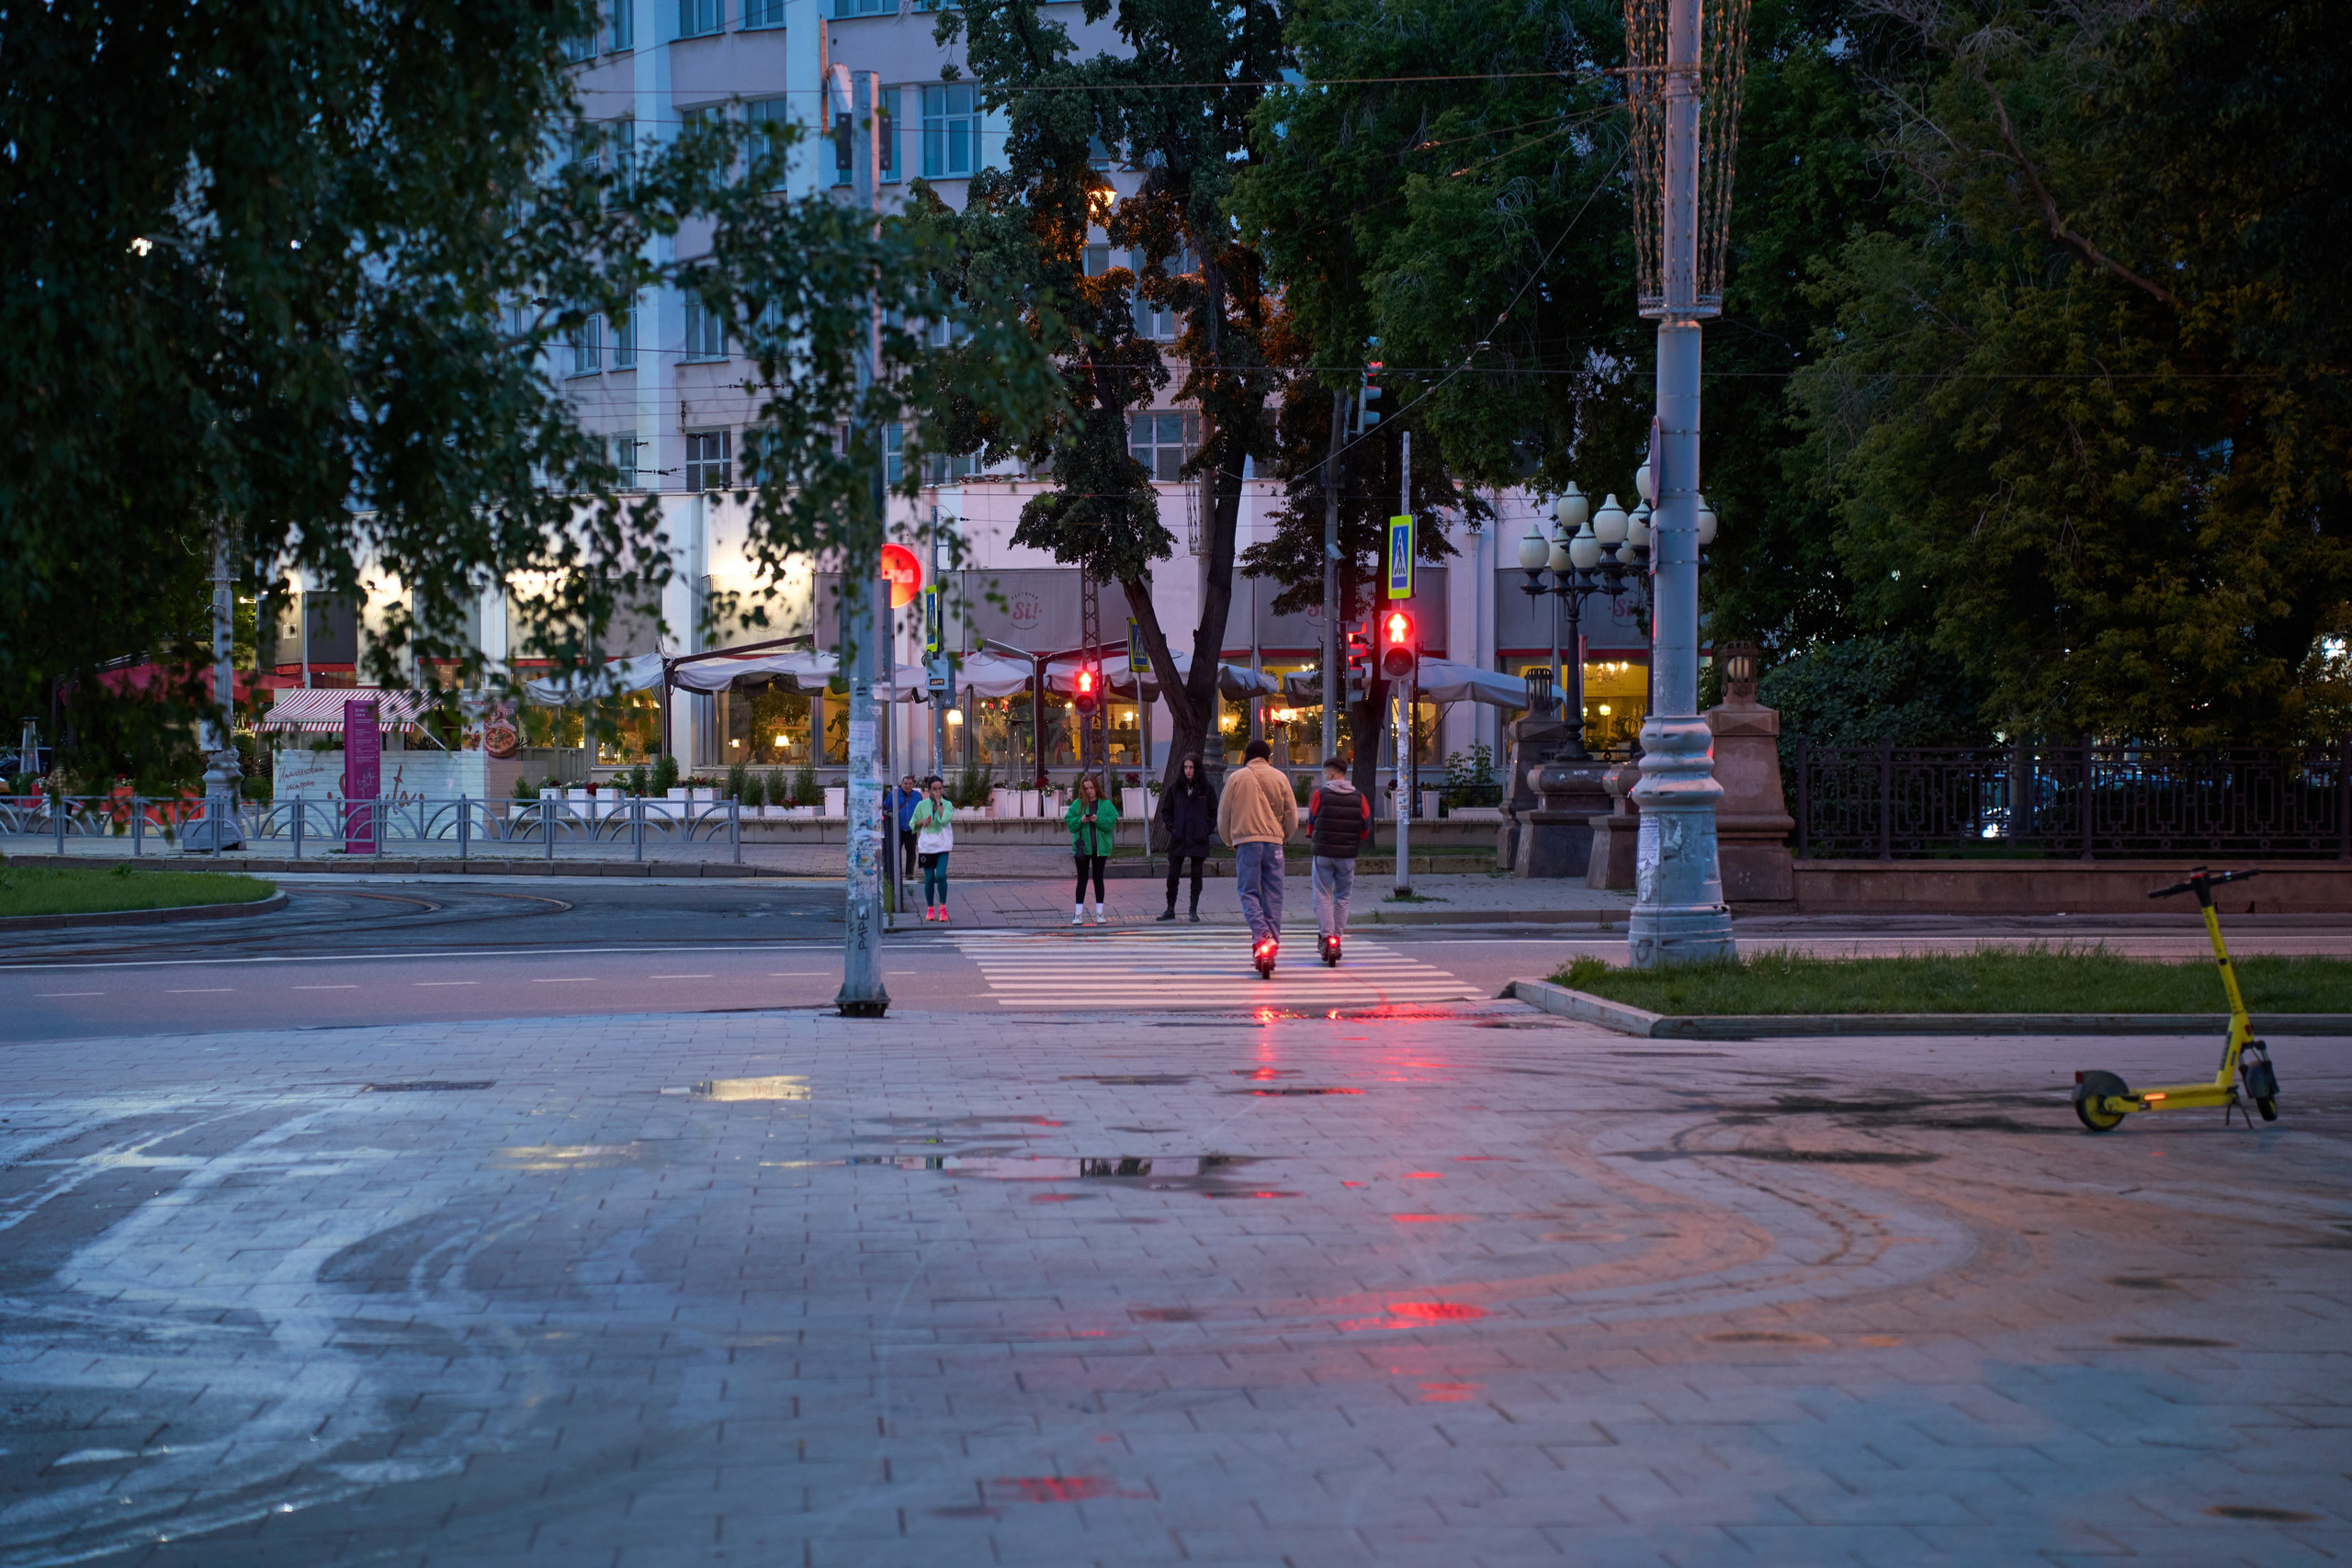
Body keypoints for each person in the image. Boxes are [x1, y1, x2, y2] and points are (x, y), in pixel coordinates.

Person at [1216, 738, 1298, 972]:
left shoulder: (1236, 778)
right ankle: (1269, 947)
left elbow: (1224, 816)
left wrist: (1229, 840)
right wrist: (1284, 836)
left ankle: (1262, 936)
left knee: (1248, 892)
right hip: (1274, 844)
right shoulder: (1280, 777)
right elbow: (1292, 815)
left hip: (1247, 843)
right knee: (1273, 896)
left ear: (1247, 756)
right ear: (1267, 757)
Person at [1306, 755, 1372, 964]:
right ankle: (1337, 939)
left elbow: (1311, 821)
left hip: (1324, 853)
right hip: (1347, 856)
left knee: (1322, 895)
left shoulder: (1320, 795)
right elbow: (1366, 826)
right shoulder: (1359, 797)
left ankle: (1326, 938)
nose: (1324, 776)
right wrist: (1354, 840)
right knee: (1343, 897)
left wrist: (1311, 835)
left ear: (1332, 773)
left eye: (1325, 772)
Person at [1154, 753, 1218, 922]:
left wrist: (1207, 829)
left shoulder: (1206, 788)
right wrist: (1172, 828)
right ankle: (1170, 909)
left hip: (1198, 838)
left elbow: (1214, 812)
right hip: (1179, 837)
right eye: (1186, 767)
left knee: (1196, 875)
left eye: (1191, 767)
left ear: (1196, 769)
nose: (1188, 771)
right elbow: (1165, 811)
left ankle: (1193, 910)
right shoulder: (1175, 788)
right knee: (1173, 874)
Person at [1065, 773, 1118, 926]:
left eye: (1091, 788)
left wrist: (1097, 820)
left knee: (1098, 879)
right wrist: (1080, 820)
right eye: (1086, 788)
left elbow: (1110, 823)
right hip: (1082, 847)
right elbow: (1070, 823)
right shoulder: (1078, 804)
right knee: (1082, 880)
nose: (1089, 791)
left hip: (1100, 848)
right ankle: (1078, 914)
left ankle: (1100, 913)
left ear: (1096, 787)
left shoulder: (1106, 804)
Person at [911, 774, 955, 922]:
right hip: (927, 847)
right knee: (929, 879)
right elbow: (912, 823)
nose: (937, 792)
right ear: (928, 790)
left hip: (943, 845)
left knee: (941, 876)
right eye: (934, 789)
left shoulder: (947, 804)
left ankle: (943, 907)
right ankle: (930, 908)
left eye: (940, 788)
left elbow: (944, 820)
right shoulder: (921, 805)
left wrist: (939, 803)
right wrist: (921, 822)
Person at [892, 773, 921, 875]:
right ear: (901, 784)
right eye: (905, 783)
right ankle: (896, 872)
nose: (907, 786)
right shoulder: (894, 794)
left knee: (911, 852)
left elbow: (921, 810)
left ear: (913, 785)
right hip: (897, 828)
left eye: (910, 783)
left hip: (911, 828)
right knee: (895, 852)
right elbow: (886, 807)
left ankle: (909, 873)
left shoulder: (917, 796)